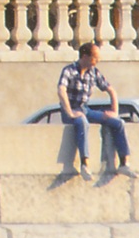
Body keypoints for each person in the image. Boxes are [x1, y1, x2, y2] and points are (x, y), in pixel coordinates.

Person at [56, 41, 132, 176]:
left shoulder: (94, 73)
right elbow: (61, 90)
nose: (97, 60)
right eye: (94, 57)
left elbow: (111, 90)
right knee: (82, 122)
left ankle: (124, 163)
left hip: (84, 109)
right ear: (84, 56)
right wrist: (70, 112)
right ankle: (85, 163)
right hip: (71, 109)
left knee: (118, 123)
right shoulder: (69, 70)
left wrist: (114, 111)